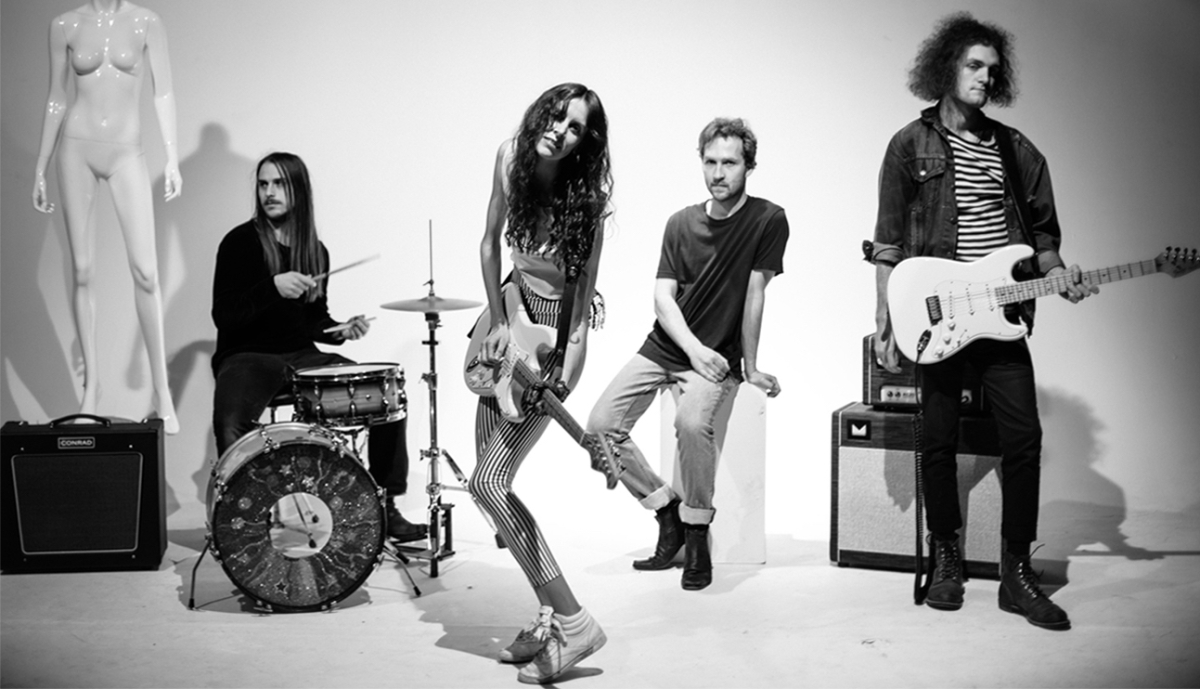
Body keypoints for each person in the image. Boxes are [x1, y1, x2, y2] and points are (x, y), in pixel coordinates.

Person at [867, 13, 1097, 630]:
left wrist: (1058, 272)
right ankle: (946, 555)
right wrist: (885, 318)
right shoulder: (908, 146)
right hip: (939, 315)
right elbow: (888, 243)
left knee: (1024, 439)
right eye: (974, 65)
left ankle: (1017, 572)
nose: (985, 78)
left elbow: (1042, 238)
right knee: (938, 438)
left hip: (1000, 315)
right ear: (946, 67)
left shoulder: (1017, 151)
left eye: (993, 69)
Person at [586, 118, 789, 592]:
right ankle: (665, 512)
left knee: (692, 423)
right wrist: (692, 350)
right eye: (710, 162)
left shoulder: (768, 219)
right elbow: (663, 298)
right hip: (668, 347)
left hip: (717, 356)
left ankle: (696, 532)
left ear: (749, 166)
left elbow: (755, 294)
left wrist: (750, 367)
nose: (718, 173)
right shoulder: (680, 222)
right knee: (599, 426)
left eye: (729, 163)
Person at [469, 83, 612, 684]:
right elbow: (488, 243)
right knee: (489, 488)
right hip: (507, 314)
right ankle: (550, 616)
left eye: (575, 126)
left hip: (551, 339)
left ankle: (575, 622)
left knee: (486, 482)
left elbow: (579, 314)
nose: (560, 129)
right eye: (555, 115)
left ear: (585, 142)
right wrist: (498, 321)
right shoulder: (510, 157)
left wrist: (563, 381)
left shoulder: (587, 205)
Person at [211, 152, 425, 543]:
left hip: (300, 354)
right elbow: (224, 315)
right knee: (231, 421)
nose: (269, 192)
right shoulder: (239, 242)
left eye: (279, 184)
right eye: (263, 184)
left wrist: (340, 330)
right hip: (246, 355)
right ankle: (242, 518)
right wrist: (272, 287)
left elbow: (313, 320)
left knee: (385, 392)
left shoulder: (314, 249)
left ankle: (385, 505)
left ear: (299, 190)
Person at [32, 0, 181, 433]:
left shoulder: (146, 22)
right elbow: (56, 97)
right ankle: (91, 389)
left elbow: (163, 91)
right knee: (81, 270)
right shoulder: (65, 25)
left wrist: (171, 157)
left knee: (146, 273)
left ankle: (162, 392)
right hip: (76, 148)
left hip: (126, 150)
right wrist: (40, 164)